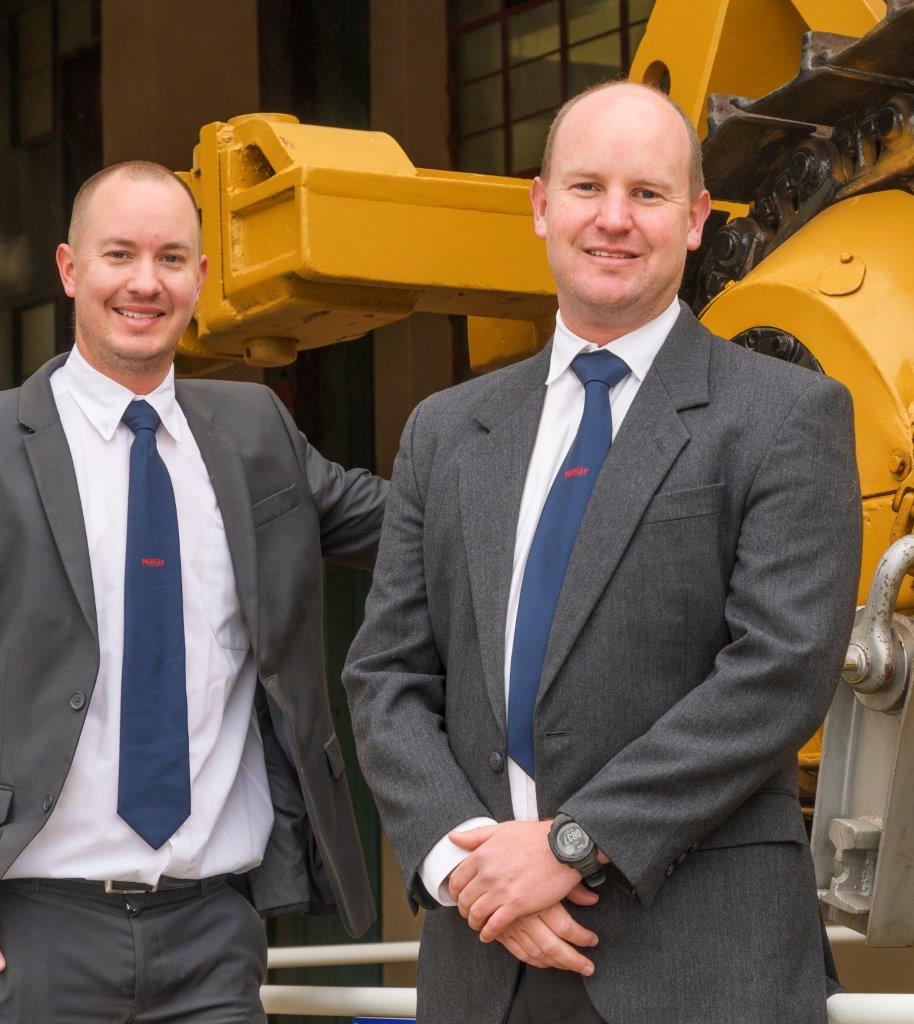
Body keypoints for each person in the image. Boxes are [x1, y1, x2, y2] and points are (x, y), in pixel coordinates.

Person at [343, 81, 861, 1024]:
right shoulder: (446, 432)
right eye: (586, 188)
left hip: (702, 962)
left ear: (697, 218)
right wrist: (466, 869)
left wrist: (572, 843)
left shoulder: (786, 415)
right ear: (540, 204)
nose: (613, 220)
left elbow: (779, 673)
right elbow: (384, 676)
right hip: (487, 960)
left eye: (648, 194)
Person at [0, 160, 387, 1023]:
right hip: (26, 940)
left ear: (201, 280)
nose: (146, 283)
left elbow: (410, 527)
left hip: (213, 935)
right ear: (70, 269)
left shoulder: (257, 437)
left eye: (172, 259)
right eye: (120, 255)